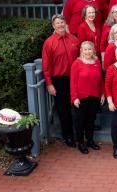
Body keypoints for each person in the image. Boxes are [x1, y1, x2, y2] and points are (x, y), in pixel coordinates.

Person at [42, 14, 80, 147]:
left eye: (62, 22)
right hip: (59, 80)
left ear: (66, 23)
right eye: (57, 23)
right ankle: (68, 136)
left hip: (75, 78)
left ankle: (79, 134)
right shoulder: (49, 42)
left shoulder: (74, 39)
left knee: (77, 106)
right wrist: (49, 84)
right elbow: (46, 66)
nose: (60, 25)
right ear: (53, 26)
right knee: (63, 109)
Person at [70, 41, 105, 154]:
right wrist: (74, 97)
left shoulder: (97, 62)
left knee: (91, 120)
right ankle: (80, 142)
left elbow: (100, 80)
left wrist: (102, 93)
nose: (87, 51)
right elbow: (73, 82)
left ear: (93, 50)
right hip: (81, 98)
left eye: (89, 49)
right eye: (85, 49)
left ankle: (90, 140)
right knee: (80, 121)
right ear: (81, 51)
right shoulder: (77, 63)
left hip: (94, 96)